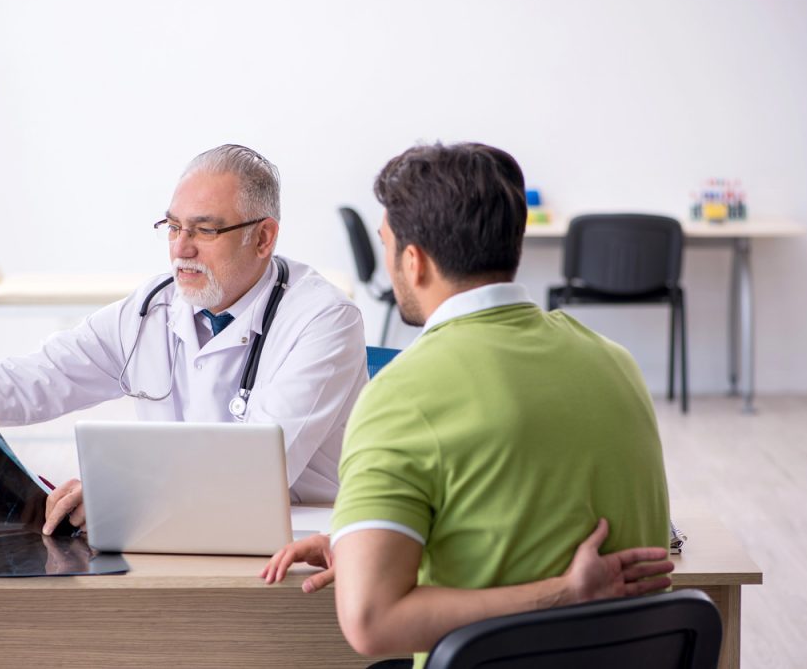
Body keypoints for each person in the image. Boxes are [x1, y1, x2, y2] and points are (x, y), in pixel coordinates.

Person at [260, 142, 671, 666]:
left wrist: (564, 593)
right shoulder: (616, 363)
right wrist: (362, 537)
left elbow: (371, 621)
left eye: (387, 245)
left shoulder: (402, 394)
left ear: (415, 261)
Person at [0, 144, 368, 531]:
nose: (181, 249)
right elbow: (33, 380)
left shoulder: (324, 320)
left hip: (300, 544)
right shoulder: (152, 308)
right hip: (173, 535)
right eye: (173, 227)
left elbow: (258, 467)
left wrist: (121, 493)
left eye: (204, 229)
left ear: (263, 237)